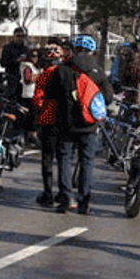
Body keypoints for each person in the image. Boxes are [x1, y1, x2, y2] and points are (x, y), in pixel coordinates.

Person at [45, 35, 111, 214]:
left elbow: (50, 95)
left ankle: (67, 198)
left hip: (65, 123)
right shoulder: (98, 71)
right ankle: (84, 202)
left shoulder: (62, 69)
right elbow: (108, 97)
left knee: (65, 159)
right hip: (89, 124)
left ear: (74, 50)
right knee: (87, 162)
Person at [31, 40, 63, 206]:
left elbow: (37, 100)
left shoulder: (43, 76)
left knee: (47, 158)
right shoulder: (67, 73)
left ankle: (48, 193)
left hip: (48, 119)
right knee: (64, 159)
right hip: (65, 120)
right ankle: (65, 193)